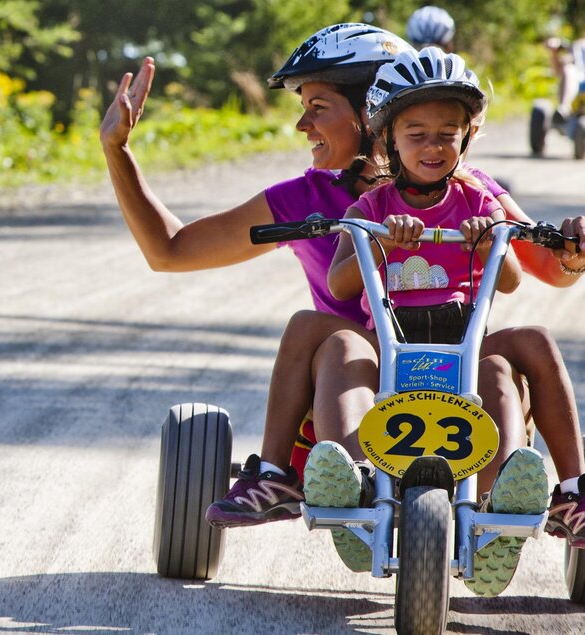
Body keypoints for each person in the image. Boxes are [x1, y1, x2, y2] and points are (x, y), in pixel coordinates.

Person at [100, 23, 585, 581]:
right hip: (353, 387)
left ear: (367, 113)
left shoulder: (469, 190)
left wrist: (571, 252)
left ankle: (534, 497)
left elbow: (544, 269)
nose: (302, 123)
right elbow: (170, 251)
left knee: (515, 354)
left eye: (317, 106)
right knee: (326, 333)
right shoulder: (305, 199)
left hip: (459, 377)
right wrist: (118, 153)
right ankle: (339, 482)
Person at [315, 45, 561, 595]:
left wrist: (488, 238)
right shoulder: (368, 210)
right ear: (388, 140)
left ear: (466, 139)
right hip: (392, 343)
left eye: (447, 133)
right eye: (417, 133)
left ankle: (504, 507)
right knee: (339, 350)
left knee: (503, 367)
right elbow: (339, 286)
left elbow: (513, 281)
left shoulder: (480, 202)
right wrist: (378, 246)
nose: (433, 145)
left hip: (463, 343)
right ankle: (352, 489)